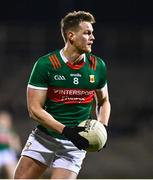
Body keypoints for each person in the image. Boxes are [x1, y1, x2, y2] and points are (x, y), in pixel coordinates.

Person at [14, 10, 111, 179]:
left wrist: (102, 127)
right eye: (87, 33)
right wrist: (66, 131)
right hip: (44, 139)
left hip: (74, 145)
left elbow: (103, 101)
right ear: (71, 36)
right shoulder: (46, 65)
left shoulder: (98, 65)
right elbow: (34, 110)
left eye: (92, 33)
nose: (93, 38)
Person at [0, 110, 21, 179]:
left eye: (7, 120)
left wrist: (11, 142)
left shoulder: (12, 133)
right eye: (3, 120)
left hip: (7, 153)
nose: (4, 122)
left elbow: (17, 149)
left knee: (12, 171)